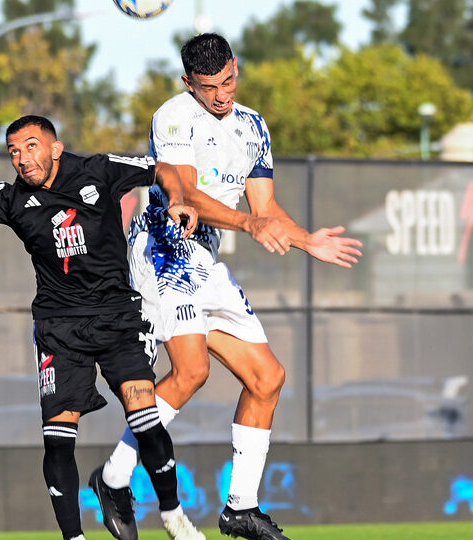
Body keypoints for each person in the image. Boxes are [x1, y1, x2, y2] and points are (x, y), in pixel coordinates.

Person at [0, 115, 207, 540]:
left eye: (31, 146)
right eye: (13, 151)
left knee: (144, 416)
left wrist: (177, 198)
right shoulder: (9, 199)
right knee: (59, 440)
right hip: (59, 329)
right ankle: (74, 538)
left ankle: (174, 516)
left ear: (55, 148)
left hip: (117, 318)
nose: (22, 158)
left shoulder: (98, 170)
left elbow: (163, 169)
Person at [90, 34, 364, 540]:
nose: (221, 94)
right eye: (208, 86)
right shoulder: (173, 116)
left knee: (267, 378)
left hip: (206, 258)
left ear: (237, 68)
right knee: (191, 371)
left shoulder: (253, 125)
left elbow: (265, 211)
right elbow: (187, 192)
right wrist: (249, 225)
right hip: (163, 250)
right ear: (187, 83)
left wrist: (306, 240)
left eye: (228, 81)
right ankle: (112, 479)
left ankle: (240, 508)